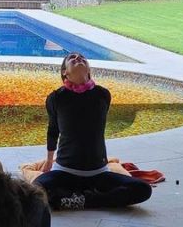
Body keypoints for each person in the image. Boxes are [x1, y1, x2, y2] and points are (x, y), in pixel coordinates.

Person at [32, 53, 152, 211]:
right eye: (72, 58)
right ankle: (96, 199)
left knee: (143, 189)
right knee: (36, 191)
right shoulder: (56, 98)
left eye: (82, 58)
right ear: (64, 72)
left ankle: (83, 200)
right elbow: (53, 130)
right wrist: (49, 161)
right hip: (66, 172)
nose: (78, 58)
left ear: (88, 68)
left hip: (99, 174)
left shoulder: (102, 95)